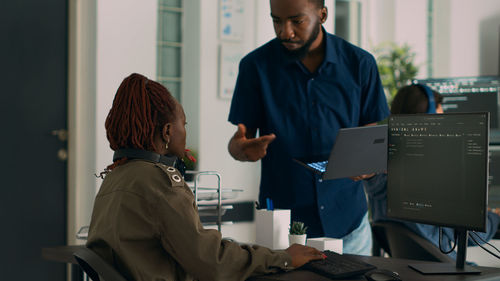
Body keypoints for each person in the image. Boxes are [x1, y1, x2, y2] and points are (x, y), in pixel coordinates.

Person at [86, 73, 325, 281]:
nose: (185, 133)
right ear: (168, 131)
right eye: (184, 124)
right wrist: (283, 258)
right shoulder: (159, 182)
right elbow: (213, 264)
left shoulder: (116, 176)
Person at [227, 0, 389, 255]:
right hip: (283, 231)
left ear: (322, 15)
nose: (285, 32)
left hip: (349, 224)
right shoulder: (255, 66)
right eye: (277, 21)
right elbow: (239, 142)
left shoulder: (361, 64)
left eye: (296, 21)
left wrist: (368, 165)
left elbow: (375, 136)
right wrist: (241, 150)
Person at [363, 84, 500, 259]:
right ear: (429, 121)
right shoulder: (436, 174)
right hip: (441, 268)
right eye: (440, 119)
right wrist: (493, 216)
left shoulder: (376, 173)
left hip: (404, 269)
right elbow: (473, 236)